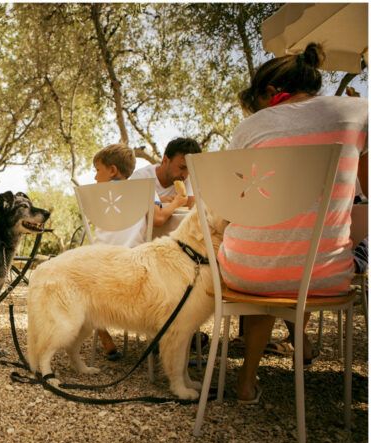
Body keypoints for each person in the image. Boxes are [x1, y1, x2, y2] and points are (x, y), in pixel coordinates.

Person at [221, 43, 368, 404]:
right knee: (319, 250)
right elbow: (364, 196)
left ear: (271, 92)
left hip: (243, 271)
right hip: (323, 274)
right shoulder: (358, 111)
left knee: (272, 254)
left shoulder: (248, 128)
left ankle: (246, 381)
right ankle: (301, 341)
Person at [90, 143, 189, 359]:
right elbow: (161, 217)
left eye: (98, 170)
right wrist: (177, 202)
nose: (95, 177)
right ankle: (158, 336)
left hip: (97, 263)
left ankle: (105, 336)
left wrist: (158, 200)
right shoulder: (144, 189)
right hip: (131, 263)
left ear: (113, 170)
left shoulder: (96, 194)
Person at [131, 137, 201, 209]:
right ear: (165, 160)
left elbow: (192, 208)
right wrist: (158, 201)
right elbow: (131, 207)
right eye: (182, 167)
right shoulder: (141, 177)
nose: (185, 175)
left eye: (189, 170)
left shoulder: (186, 179)